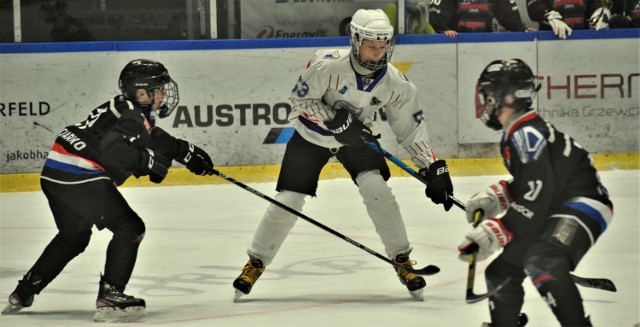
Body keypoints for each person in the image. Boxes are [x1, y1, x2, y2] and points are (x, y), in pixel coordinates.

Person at [232, 8, 454, 302]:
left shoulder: (397, 83)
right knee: (288, 200)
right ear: (355, 40)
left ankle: (402, 259)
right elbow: (299, 101)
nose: (378, 53)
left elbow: (410, 130)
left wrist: (432, 167)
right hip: (311, 137)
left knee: (377, 190)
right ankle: (256, 261)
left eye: (383, 46)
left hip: (357, 139)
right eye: (371, 46)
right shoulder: (327, 64)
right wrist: (334, 120)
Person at [1, 59, 215, 322]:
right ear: (141, 92)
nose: (163, 94)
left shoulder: (126, 110)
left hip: (56, 173)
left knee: (74, 236)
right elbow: (113, 149)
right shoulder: (133, 115)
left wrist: (185, 152)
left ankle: (24, 291)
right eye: (158, 88)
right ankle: (111, 294)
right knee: (130, 227)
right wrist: (146, 161)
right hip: (80, 175)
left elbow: (152, 138)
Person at [458, 59, 613, 326]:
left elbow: (539, 192)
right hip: (557, 203)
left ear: (502, 97)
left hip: (584, 203)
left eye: (487, 95)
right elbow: (536, 183)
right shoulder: (520, 130)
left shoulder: (525, 134)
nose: (484, 102)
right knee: (501, 270)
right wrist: (499, 196)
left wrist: (500, 228)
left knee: (543, 260)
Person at [428, 0, 535, 38]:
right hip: (455, 39)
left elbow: (507, 12)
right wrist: (443, 29)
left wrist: (520, 29)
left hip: (484, 39)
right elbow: (437, 10)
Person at [527, 0, 603, 39]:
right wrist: (547, 15)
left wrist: (600, 13)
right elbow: (534, 7)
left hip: (584, 39)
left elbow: (594, 6)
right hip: (550, 39)